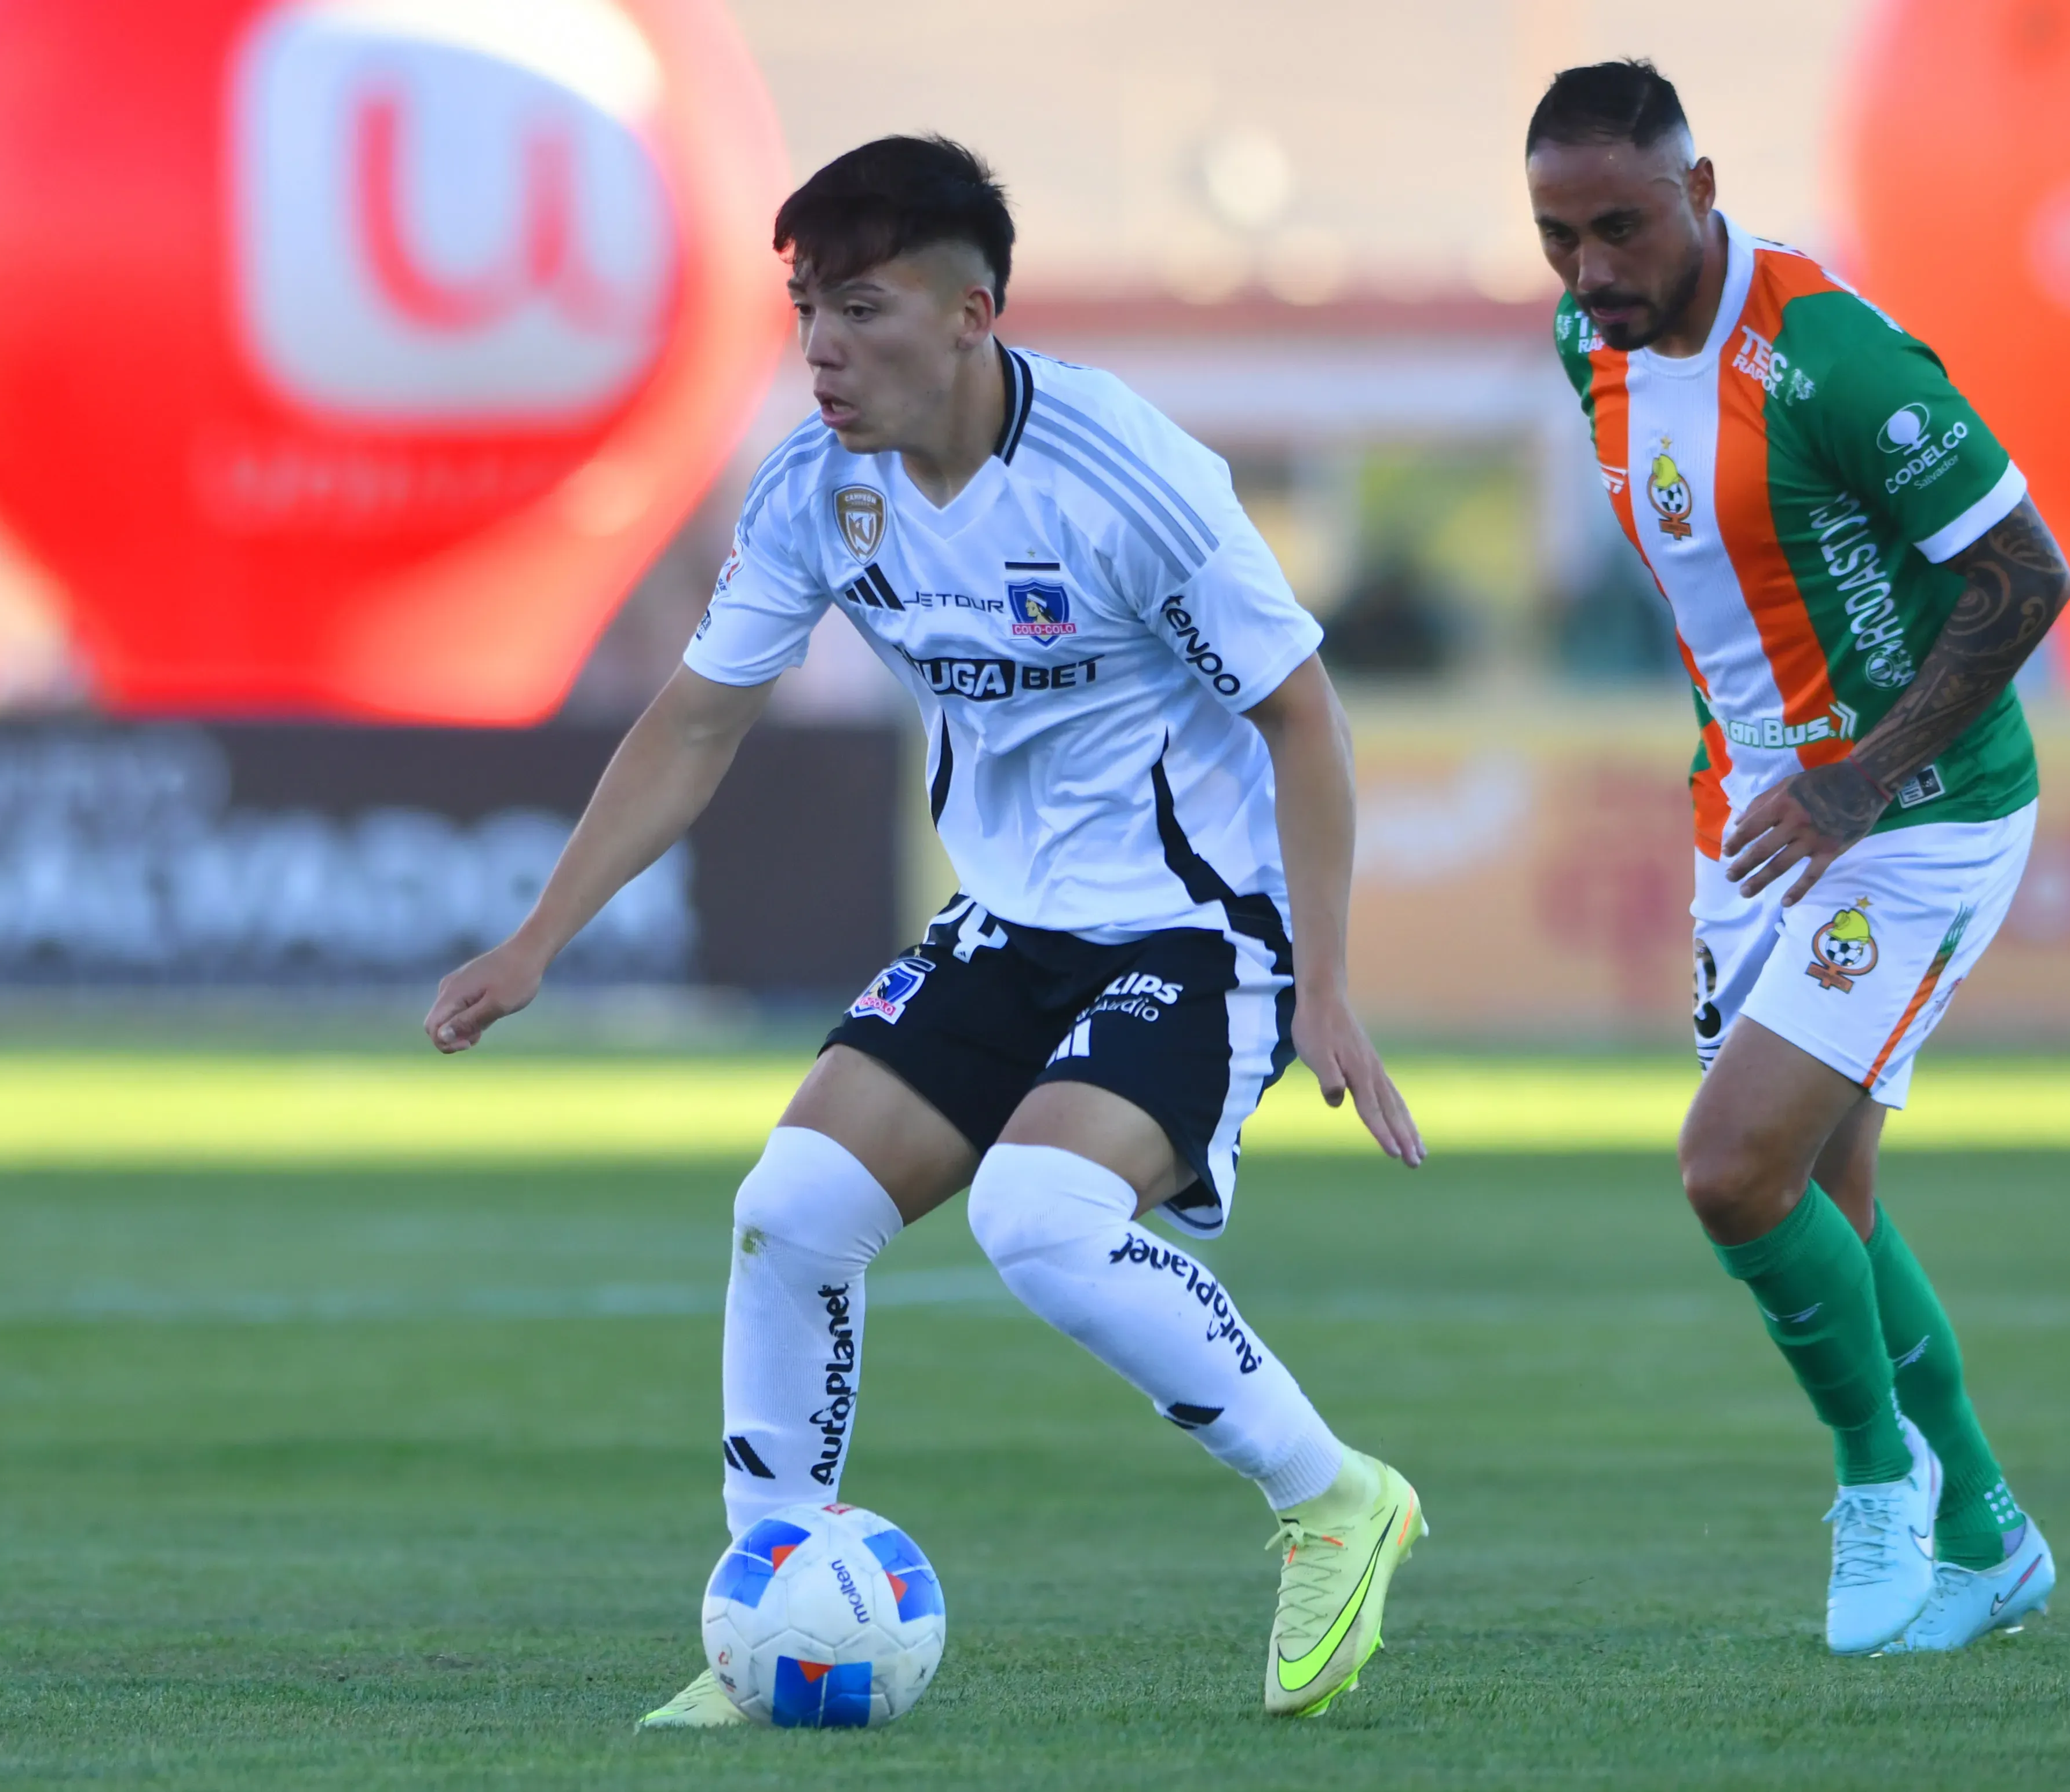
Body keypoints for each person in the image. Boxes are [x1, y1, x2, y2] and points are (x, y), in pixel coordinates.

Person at [425, 136, 1428, 1722]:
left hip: (1196, 930)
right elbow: (693, 724)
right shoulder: (819, 491)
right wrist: (540, 936)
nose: (823, 349)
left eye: (863, 309)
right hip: (1010, 922)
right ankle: (769, 1606)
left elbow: (1303, 719)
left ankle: (1332, 1496)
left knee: (1038, 1217)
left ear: (974, 312)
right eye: (808, 309)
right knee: (793, 1205)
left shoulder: (1126, 477)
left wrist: (1329, 986)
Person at [1524, 63, 2070, 1655]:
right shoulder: (1589, 344)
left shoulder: (1831, 355)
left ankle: (1877, 1475)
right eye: (1561, 238)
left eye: (1622, 227)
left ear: (1703, 191)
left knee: (1732, 1166)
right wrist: (1777, 777)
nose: (1593, 271)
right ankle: (1989, 1530)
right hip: (1751, 827)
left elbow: (2029, 580)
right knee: (1828, 1189)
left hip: (1918, 814)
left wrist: (1857, 777)